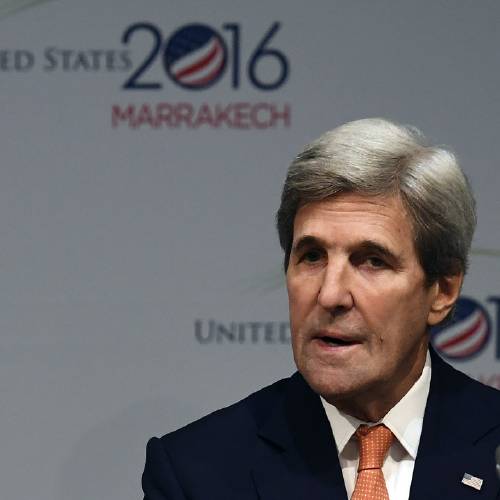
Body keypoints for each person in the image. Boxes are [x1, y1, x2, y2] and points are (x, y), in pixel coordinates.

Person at [142, 118, 500, 499]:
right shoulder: (196, 472)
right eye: (312, 257)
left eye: (372, 261)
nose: (330, 295)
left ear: (442, 290)